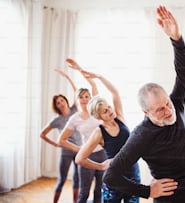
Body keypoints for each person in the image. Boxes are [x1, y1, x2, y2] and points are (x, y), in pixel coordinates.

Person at [103, 5, 185, 203]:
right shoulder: (142, 136)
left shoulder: (175, 105)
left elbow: (184, 71)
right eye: (160, 109)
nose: (168, 111)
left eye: (167, 103)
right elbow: (111, 175)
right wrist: (147, 191)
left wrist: (176, 38)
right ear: (146, 112)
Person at [74, 70, 140, 203]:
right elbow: (80, 158)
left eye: (109, 107)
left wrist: (100, 77)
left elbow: (114, 92)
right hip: (114, 179)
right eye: (105, 111)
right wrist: (102, 166)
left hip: (133, 175)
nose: (110, 110)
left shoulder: (119, 116)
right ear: (99, 117)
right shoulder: (98, 133)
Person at [58, 58, 107, 203]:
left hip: (103, 154)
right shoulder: (74, 118)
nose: (85, 99)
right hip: (87, 156)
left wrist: (79, 68)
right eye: (81, 97)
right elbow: (61, 140)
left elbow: (92, 83)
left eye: (87, 97)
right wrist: (79, 148)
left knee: (100, 190)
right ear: (76, 99)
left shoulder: (96, 110)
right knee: (84, 192)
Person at [39, 69, 82, 203]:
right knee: (62, 179)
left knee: (77, 179)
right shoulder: (56, 120)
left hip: (79, 150)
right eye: (58, 102)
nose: (61, 103)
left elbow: (77, 92)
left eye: (62, 100)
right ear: (56, 106)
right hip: (65, 153)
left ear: (66, 100)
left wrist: (67, 77)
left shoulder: (75, 110)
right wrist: (55, 144)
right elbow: (42, 133)